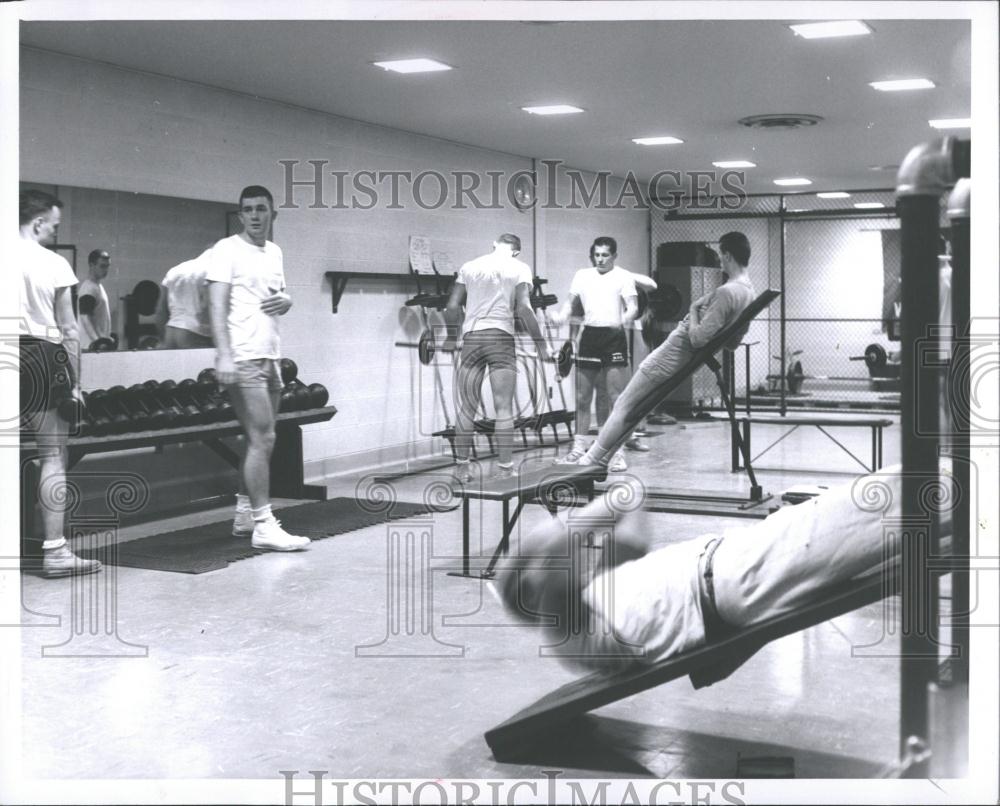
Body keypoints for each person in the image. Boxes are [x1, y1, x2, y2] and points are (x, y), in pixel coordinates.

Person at [495, 463, 915, 673]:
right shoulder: (561, 629)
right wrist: (583, 518)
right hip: (730, 582)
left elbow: (633, 505)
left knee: (870, 501)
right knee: (876, 502)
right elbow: (551, 547)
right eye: (529, 570)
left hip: (732, 562)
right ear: (530, 593)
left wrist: (618, 497)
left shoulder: (592, 597)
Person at [570, 231, 756, 468]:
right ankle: (605, 456)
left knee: (623, 405)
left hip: (671, 354)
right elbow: (732, 342)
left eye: (721, 255)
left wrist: (694, 309)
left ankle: (590, 458)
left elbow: (698, 339)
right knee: (634, 409)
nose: (719, 260)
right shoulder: (748, 292)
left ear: (727, 255)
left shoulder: (726, 292)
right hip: (682, 359)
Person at [206, 185, 308, 551]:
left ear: (272, 214)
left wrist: (288, 300)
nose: (254, 215)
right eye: (247, 209)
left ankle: (244, 515)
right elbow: (216, 306)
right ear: (240, 214)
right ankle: (264, 525)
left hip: (270, 356)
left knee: (259, 440)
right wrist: (223, 355)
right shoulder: (226, 250)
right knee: (263, 438)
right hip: (243, 355)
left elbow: (278, 296)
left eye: (261, 209)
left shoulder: (275, 252)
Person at [18, 189, 102, 578]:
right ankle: (55, 552)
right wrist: (75, 384)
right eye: (53, 226)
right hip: (39, 355)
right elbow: (69, 329)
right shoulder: (51, 263)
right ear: (37, 224)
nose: (54, 232)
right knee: (52, 456)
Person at [442, 234, 549, 483]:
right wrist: (541, 344)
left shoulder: (469, 266)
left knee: (467, 406)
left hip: (471, 339)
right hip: (500, 337)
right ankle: (504, 469)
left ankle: (461, 468)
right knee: (503, 407)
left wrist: (450, 337)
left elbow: (452, 306)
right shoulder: (520, 267)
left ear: (493, 245)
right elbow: (524, 308)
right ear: (516, 251)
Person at [550, 237, 646, 472]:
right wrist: (561, 316)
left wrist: (624, 318)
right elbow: (570, 305)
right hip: (590, 338)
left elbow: (633, 307)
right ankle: (578, 449)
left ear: (614, 256)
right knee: (583, 398)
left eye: (605, 255)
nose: (600, 259)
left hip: (614, 338)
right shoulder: (582, 275)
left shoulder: (623, 276)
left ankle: (616, 453)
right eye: (597, 255)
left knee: (614, 398)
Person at [160, 247, 214, 349]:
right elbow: (209, 305)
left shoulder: (176, 269)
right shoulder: (212, 271)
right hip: (196, 333)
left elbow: (160, 309)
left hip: (171, 331)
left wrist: (162, 338)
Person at [78, 248, 113, 349]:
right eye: (102, 266)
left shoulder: (97, 286)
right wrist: (97, 341)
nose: (105, 270)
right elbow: (85, 318)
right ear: (91, 265)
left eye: (107, 266)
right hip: (90, 347)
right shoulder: (89, 289)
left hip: (95, 346)